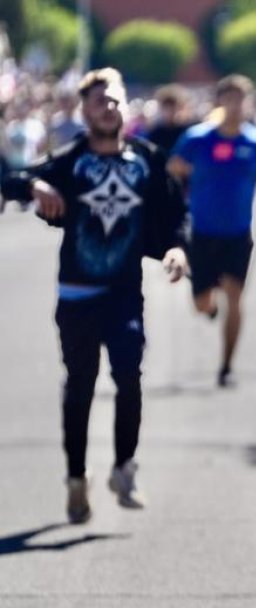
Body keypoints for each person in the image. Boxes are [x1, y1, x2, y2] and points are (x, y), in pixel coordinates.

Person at [0, 68, 189, 523]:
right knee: (80, 387)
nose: (108, 108)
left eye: (115, 100)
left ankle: (124, 468)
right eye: (99, 102)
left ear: (126, 107)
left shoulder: (147, 158)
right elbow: (11, 181)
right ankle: (76, 478)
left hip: (124, 292)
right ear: (84, 112)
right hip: (77, 293)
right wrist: (34, 185)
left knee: (129, 376)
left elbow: (173, 216)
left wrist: (177, 249)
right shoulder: (70, 160)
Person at [168, 75, 256, 388]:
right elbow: (173, 168)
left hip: (238, 232)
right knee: (201, 303)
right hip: (203, 230)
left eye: (242, 99)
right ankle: (209, 306)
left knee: (236, 298)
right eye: (230, 98)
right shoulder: (198, 138)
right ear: (220, 101)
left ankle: (226, 366)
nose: (236, 105)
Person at [144, 85, 195, 157]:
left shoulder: (188, 131)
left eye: (173, 109)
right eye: (167, 108)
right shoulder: (155, 132)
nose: (170, 112)